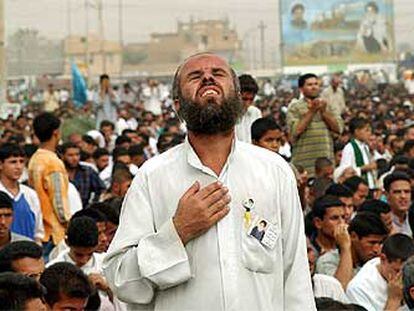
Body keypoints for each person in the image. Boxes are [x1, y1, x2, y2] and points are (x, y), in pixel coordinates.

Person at [104, 52, 315, 310]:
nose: (207, 78)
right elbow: (121, 280)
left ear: (239, 98)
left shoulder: (274, 171)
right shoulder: (152, 178)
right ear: (177, 104)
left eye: (218, 74)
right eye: (195, 76)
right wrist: (178, 232)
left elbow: (295, 279)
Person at [28, 113, 71, 257]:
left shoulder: (35, 159)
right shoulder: (53, 163)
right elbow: (59, 202)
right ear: (56, 132)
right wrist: (69, 223)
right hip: (54, 232)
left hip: (41, 228)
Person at [47, 216, 113, 309]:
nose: (84, 260)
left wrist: (108, 287)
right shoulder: (53, 269)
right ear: (66, 242)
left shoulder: (107, 264)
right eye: (79, 255)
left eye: (89, 254)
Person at [287, 73, 343, 177]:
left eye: (316, 84)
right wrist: (312, 111)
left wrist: (324, 112)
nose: (314, 87)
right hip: (303, 164)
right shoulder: (294, 107)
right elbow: (296, 131)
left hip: (326, 164)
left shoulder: (328, 105)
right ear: (301, 89)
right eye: (309, 84)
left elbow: (338, 128)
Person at [315, 212, 387, 289]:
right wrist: (345, 247)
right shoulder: (327, 261)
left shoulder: (376, 262)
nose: (377, 250)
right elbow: (340, 291)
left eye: (380, 243)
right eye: (371, 243)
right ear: (353, 236)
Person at [346, 234, 414, 311]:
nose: (403, 277)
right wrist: (394, 300)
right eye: (397, 271)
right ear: (383, 259)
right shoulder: (358, 288)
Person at [0, 143, 44, 243]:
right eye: (13, 162)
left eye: (21, 162)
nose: (18, 167)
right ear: (1, 164)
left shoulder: (30, 194)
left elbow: (38, 231)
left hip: (26, 252)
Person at [61, 142, 105, 207]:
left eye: (77, 155)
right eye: (70, 155)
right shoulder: (58, 172)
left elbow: (101, 189)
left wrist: (93, 204)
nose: (75, 158)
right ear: (62, 156)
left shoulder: (88, 171)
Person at [340, 117, 377, 191]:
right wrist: (364, 168)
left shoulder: (365, 147)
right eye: (366, 130)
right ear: (357, 131)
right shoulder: (349, 148)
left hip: (370, 186)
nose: (369, 133)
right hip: (357, 188)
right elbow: (345, 171)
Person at [235, 74, 262, 143]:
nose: (247, 103)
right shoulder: (228, 115)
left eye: (251, 99)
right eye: (244, 99)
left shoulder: (256, 113)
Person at [384, 172, 412, 237]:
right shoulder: (383, 222)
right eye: (397, 192)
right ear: (387, 195)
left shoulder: (411, 218)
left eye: (407, 192)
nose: (403, 196)